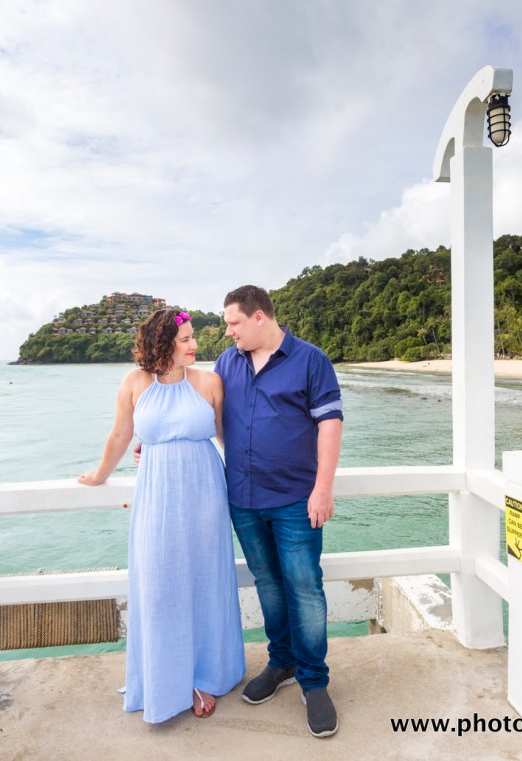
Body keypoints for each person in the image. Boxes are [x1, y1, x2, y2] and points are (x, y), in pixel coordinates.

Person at [78, 308, 244, 722]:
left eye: (192, 337)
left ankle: (204, 674)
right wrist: (100, 474)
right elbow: (121, 434)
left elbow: (227, 436)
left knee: (205, 580)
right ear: (163, 344)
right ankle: (165, 676)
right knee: (160, 584)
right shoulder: (136, 383)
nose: (195, 345)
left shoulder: (209, 382)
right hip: (156, 495)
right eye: (186, 339)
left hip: (205, 492)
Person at [214, 285, 344, 739]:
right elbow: (207, 415)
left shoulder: (311, 360)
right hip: (243, 498)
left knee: (305, 588)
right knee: (268, 584)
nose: (227, 331)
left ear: (259, 318)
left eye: (233, 322)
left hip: (295, 499)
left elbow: (330, 423)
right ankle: (281, 661)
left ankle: (315, 682)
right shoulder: (227, 363)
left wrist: (322, 490)